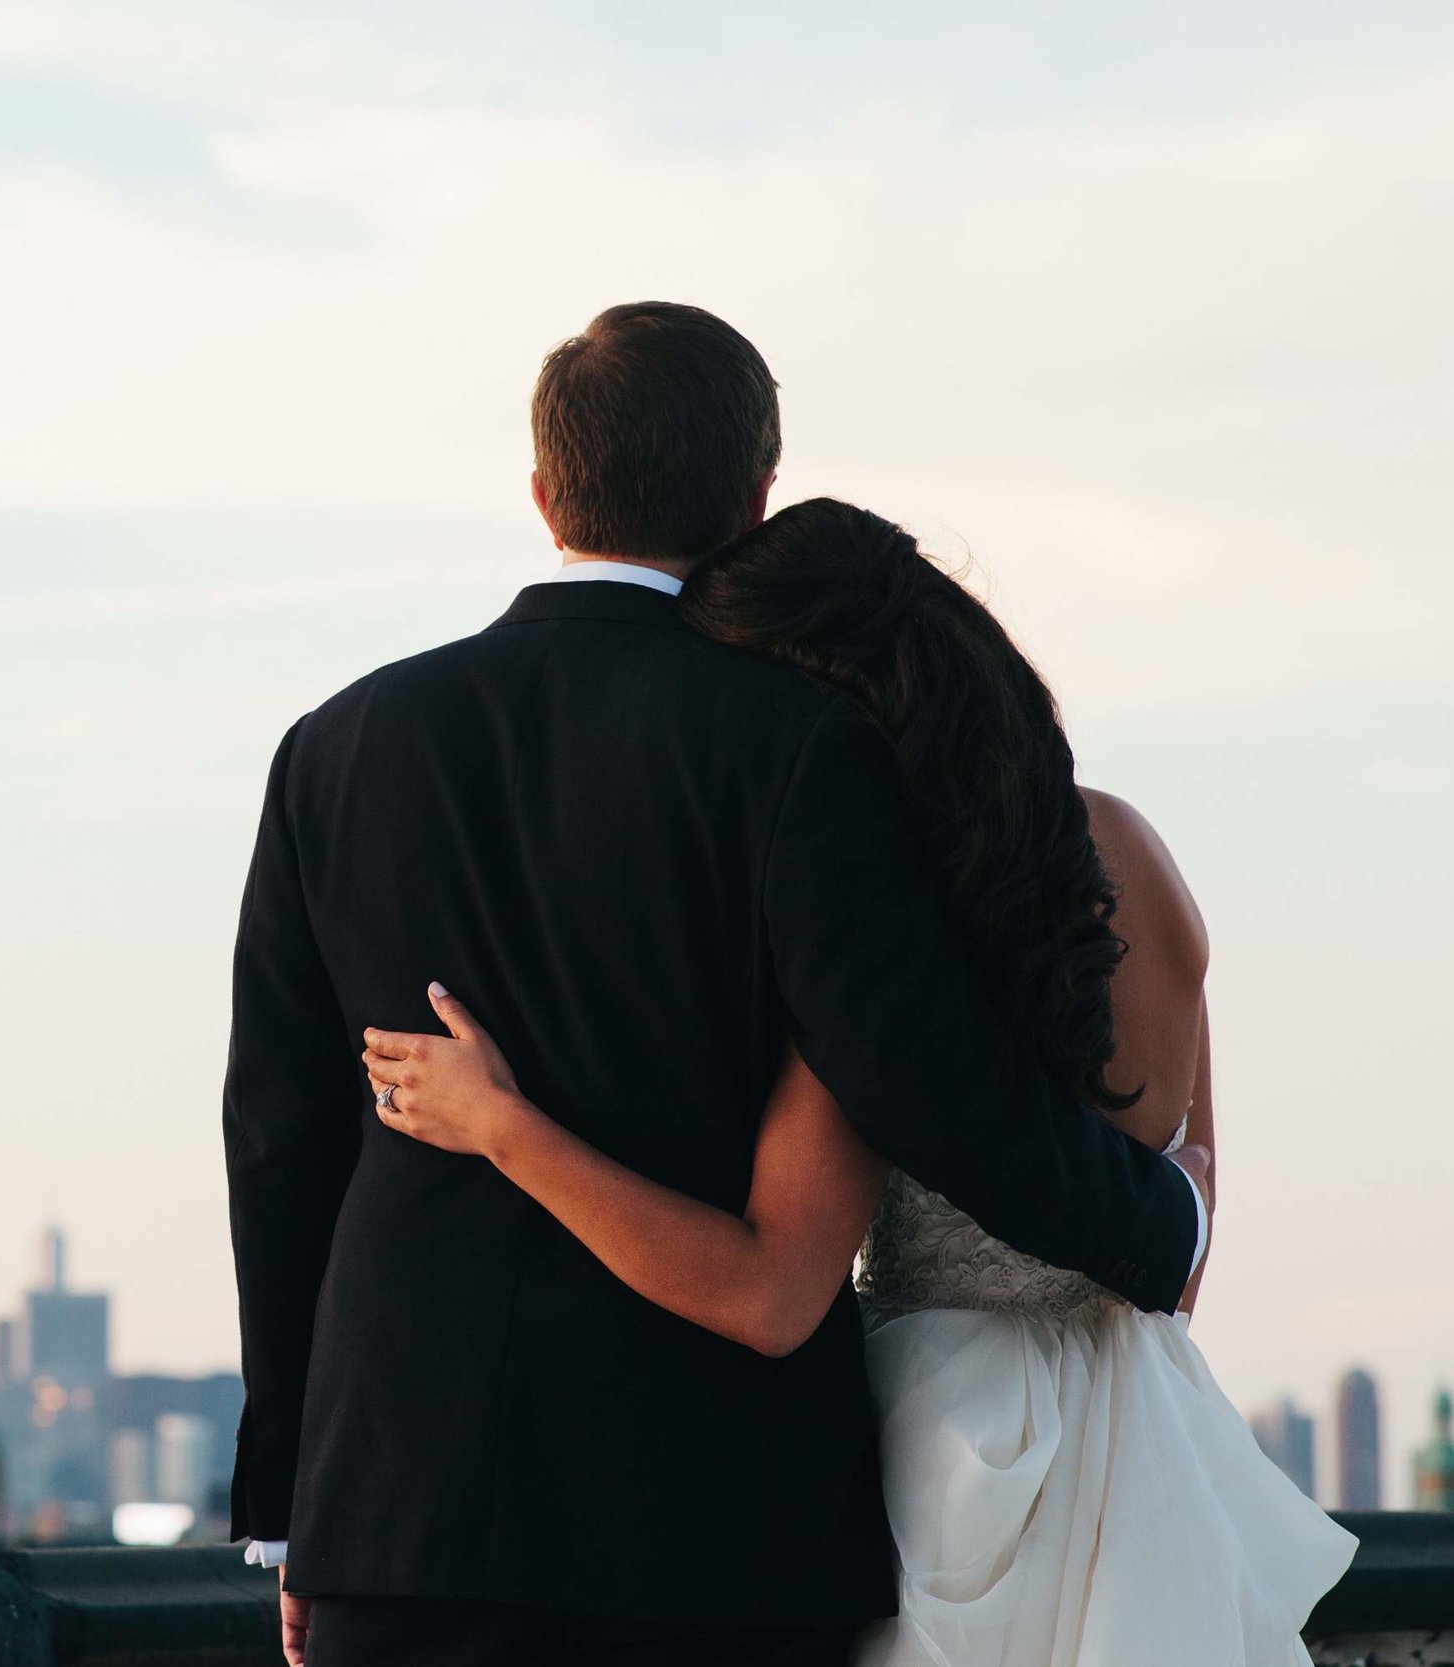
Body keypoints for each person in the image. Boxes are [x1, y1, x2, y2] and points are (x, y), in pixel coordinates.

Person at [221, 303, 1212, 1667]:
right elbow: (922, 1076)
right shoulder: (803, 745)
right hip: (714, 1532)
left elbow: (280, 1138)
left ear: (542, 491)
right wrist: (1160, 1225)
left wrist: (287, 1506)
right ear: (756, 492)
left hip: (401, 1509)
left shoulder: (333, 748)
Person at [360, 497, 1356, 1665]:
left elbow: (771, 1280)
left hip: (927, 1445)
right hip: (1142, 1448)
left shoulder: (873, 935)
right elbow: (1177, 1231)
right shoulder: (1126, 855)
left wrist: (503, 1124)